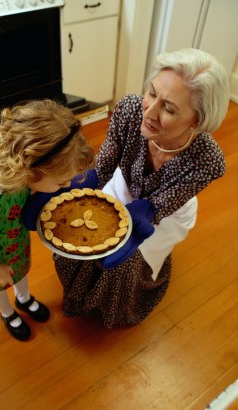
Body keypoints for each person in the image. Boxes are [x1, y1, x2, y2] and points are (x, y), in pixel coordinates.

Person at [51, 48, 229, 328]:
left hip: (167, 213)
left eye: (169, 108)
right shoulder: (130, 109)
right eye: (152, 93)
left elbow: (157, 207)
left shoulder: (208, 160)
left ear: (196, 120)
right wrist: (74, 187)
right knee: (81, 237)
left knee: (125, 265)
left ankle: (115, 309)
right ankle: (81, 291)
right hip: (126, 185)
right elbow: (106, 162)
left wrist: (138, 221)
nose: (150, 111)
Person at [0, 99, 95, 341]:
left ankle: (24, 299)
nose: (66, 186)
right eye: (61, 182)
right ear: (30, 170)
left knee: (20, 271)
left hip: (14, 243)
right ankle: (7, 313)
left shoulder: (23, 173)